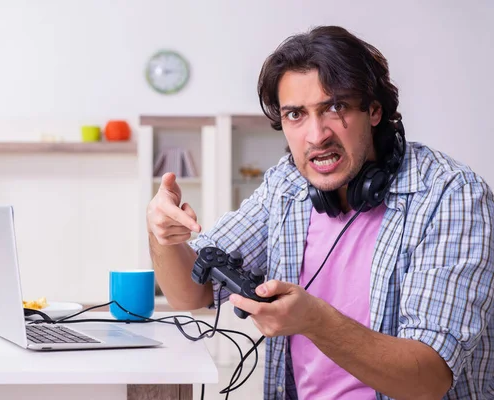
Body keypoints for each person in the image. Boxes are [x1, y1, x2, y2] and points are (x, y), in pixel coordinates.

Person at [146, 25, 494, 400]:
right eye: (296, 114)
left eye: (335, 107)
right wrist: (162, 234)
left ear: (374, 110)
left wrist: (315, 320)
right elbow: (192, 295)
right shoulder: (287, 184)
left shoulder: (451, 195)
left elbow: (428, 379)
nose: (316, 135)